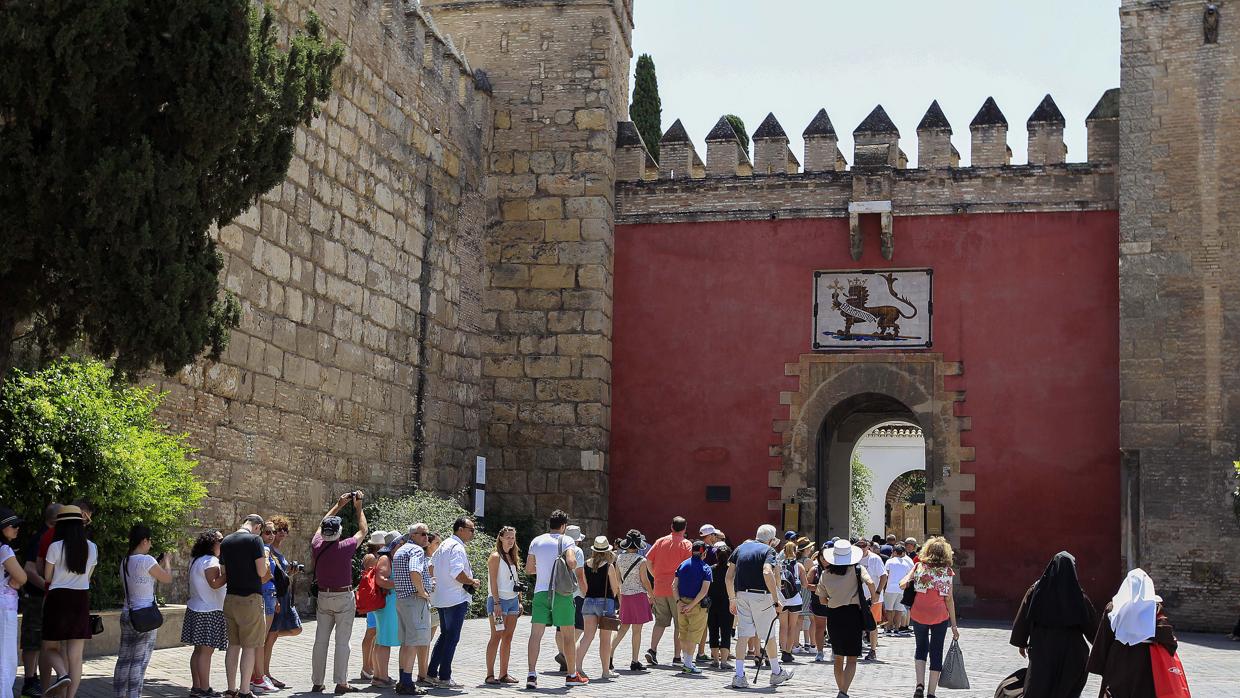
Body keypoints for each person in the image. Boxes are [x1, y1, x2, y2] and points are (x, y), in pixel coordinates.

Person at [1010, 551, 1098, 698]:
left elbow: (1024, 618)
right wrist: (1099, 646)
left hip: (1043, 649)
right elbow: (1092, 626)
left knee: (1039, 688)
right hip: (1072, 653)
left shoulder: (1036, 591)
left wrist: (1021, 642)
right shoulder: (1079, 597)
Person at [1086, 569, 1177, 698]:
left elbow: (1103, 641)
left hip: (1118, 661)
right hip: (1145, 664)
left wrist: (1101, 666)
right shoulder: (1154, 610)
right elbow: (1169, 640)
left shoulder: (1113, 609)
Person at [310, 492, 368, 695]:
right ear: (339, 531)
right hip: (343, 596)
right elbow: (363, 530)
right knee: (342, 641)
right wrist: (358, 507)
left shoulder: (317, 545)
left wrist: (338, 505)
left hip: (324, 597)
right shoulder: (346, 546)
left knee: (320, 641)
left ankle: (317, 682)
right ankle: (341, 682)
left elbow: (320, 525)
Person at [725, 524, 793, 689]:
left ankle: (739, 675)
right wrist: (776, 599)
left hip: (741, 594)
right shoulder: (768, 551)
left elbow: (728, 577)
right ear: (770, 540)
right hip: (761, 596)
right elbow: (767, 572)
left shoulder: (740, 548)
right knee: (769, 635)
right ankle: (776, 672)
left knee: (743, 635)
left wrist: (732, 599)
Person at [40, 505, 97, 698]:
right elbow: (88, 577)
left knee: (49, 647)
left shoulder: (55, 547)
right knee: (76, 655)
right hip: (81, 599)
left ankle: (62, 674)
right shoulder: (92, 547)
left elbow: (47, 577)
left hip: (58, 598)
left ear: (60, 525)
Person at [112, 523, 173, 698]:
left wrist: (158, 564)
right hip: (144, 617)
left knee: (124, 660)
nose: (151, 545)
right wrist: (167, 561)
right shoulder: (147, 560)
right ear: (144, 540)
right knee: (138, 662)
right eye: (150, 541)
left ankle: (119, 695)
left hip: (128, 613)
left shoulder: (125, 561)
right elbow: (167, 578)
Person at [525, 509, 581, 689]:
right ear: (564, 526)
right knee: (568, 636)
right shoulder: (567, 540)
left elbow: (529, 569)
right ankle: (572, 674)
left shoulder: (536, 541)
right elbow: (572, 563)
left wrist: (544, 568)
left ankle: (532, 674)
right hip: (561, 593)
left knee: (536, 635)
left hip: (541, 591)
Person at [901, 537, 959, 698]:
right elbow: (949, 599)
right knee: (936, 650)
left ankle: (919, 684)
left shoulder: (919, 566)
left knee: (921, 648)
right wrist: (954, 625)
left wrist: (909, 579)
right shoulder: (947, 572)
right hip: (939, 614)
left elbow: (903, 584)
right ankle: (931, 692)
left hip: (919, 612)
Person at [220, 514, 271, 698]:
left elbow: (223, 572)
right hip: (250, 598)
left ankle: (230, 689)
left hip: (230, 597)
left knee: (233, 645)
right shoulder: (254, 540)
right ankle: (244, 690)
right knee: (249, 646)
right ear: (257, 526)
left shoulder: (226, 541)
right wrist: (265, 558)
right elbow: (262, 572)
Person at [816, 540, 874, 698]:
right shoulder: (857, 569)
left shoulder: (825, 574)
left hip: (834, 616)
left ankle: (841, 690)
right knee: (852, 659)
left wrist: (834, 600)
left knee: (838, 657)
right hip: (853, 614)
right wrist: (873, 599)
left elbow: (822, 600)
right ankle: (843, 691)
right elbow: (871, 583)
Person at [427, 517, 478, 689]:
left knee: (445, 636)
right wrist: (472, 581)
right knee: (452, 638)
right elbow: (457, 573)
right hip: (455, 599)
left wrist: (438, 584)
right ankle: (444, 677)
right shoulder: (456, 547)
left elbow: (430, 567)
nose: (473, 533)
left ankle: (432, 673)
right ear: (461, 529)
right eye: (471, 529)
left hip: (442, 598)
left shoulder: (444, 545)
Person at [183, 530, 228, 698]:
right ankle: (205, 689)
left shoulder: (196, 560)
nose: (223, 543)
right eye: (220, 540)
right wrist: (230, 573)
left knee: (198, 651)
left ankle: (196, 687)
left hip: (196, 608)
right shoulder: (211, 561)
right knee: (206, 652)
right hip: (208, 611)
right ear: (212, 543)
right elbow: (215, 584)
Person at [19, 503, 57, 698]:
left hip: (42, 596)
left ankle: (36, 682)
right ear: (56, 519)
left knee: (41, 640)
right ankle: (29, 681)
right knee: (32, 640)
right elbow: (28, 569)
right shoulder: (41, 538)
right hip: (35, 597)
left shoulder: (50, 538)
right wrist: (47, 587)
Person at [643, 516, 691, 667]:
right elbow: (689, 567)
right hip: (678, 589)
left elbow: (648, 560)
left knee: (660, 622)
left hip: (659, 587)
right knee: (679, 624)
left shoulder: (660, 541)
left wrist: (654, 575)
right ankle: (677, 657)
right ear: (684, 529)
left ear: (671, 527)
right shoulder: (686, 544)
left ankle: (652, 650)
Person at [392, 524, 432, 694]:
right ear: (413, 535)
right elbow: (414, 571)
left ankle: (403, 681)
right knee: (413, 642)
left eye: (427, 534)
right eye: (423, 534)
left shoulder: (400, 550)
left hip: (402, 600)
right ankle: (407, 683)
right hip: (414, 600)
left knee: (406, 642)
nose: (426, 537)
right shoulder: (416, 551)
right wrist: (423, 591)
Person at [263, 516, 301, 691]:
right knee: (269, 638)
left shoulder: (278, 553)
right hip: (275, 597)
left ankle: (264, 673)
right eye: (279, 530)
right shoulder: (267, 551)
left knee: (294, 629)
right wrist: (276, 598)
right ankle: (264, 674)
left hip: (283, 597)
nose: (282, 533)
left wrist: (290, 573)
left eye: (285, 530)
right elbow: (268, 577)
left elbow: (280, 576)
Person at [575, 536, 621, 679]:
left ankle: (577, 668)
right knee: (605, 640)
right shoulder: (609, 566)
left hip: (588, 602)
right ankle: (605, 671)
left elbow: (584, 586)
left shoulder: (586, 565)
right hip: (605, 603)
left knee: (587, 637)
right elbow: (615, 589)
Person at [484, 526, 523, 685]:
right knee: (496, 636)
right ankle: (489, 674)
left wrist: (519, 600)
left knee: (508, 637)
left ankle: (504, 673)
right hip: (498, 601)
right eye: (508, 537)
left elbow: (515, 581)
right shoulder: (495, 556)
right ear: (500, 538)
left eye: (513, 537)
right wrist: (497, 602)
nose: (511, 540)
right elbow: (493, 581)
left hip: (513, 600)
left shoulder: (512, 556)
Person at [610, 530, 652, 672]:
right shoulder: (642, 561)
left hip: (625, 595)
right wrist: (651, 594)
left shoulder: (619, 558)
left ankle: (609, 655)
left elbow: (617, 579)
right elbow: (644, 580)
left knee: (623, 628)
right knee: (637, 631)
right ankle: (634, 660)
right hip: (639, 595)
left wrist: (620, 595)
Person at [671, 539, 712, 674]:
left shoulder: (682, 564)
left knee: (683, 632)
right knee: (694, 634)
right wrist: (692, 605)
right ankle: (688, 663)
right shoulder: (706, 568)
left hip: (681, 603)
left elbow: (674, 585)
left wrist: (678, 602)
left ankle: (686, 661)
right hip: (697, 605)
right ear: (704, 553)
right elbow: (704, 591)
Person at [1, 507, 28, 698]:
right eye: (13, 525)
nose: (17, 529)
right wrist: (18, 581)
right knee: (6, 659)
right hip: (4, 609)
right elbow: (22, 577)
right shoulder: (4, 549)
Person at [250, 523, 279, 693]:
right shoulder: (265, 550)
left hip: (269, 594)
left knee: (262, 638)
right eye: (268, 532)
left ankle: (258, 675)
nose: (272, 535)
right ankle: (258, 677)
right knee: (260, 639)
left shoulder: (266, 549)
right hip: (265, 593)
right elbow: (265, 575)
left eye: (273, 532)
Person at [371, 539, 399, 689]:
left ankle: (379, 675)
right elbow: (381, 580)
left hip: (387, 603)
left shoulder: (388, 558)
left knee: (381, 640)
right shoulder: (385, 558)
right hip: (387, 604)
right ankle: (382, 677)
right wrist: (402, 583)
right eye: (400, 544)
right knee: (384, 641)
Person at [359, 530, 385, 682]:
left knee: (374, 633)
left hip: (377, 599)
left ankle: (371, 665)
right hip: (373, 598)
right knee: (371, 632)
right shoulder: (371, 557)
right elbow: (370, 578)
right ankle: (366, 666)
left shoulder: (377, 557)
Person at [856, 539, 887, 661]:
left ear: (868, 547)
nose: (861, 548)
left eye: (864, 546)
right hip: (857, 597)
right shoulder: (854, 558)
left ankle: (873, 650)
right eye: (859, 546)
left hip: (873, 597)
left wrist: (878, 592)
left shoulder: (875, 559)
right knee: (856, 624)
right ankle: (857, 647)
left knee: (872, 625)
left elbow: (883, 576)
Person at [776, 541, 806, 664]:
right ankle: (788, 652)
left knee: (783, 627)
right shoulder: (799, 566)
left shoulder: (779, 565)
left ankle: (783, 650)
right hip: (795, 599)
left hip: (782, 599)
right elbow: (804, 584)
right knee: (792, 626)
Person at [706, 542, 734, 670]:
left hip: (712, 605)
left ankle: (715, 660)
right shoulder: (732, 571)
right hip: (727, 604)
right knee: (726, 632)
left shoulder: (711, 569)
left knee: (713, 631)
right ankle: (724, 661)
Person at [883, 544, 915, 637]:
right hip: (901, 589)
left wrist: (883, 588)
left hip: (890, 588)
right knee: (899, 610)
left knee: (889, 609)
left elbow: (886, 575)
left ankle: (889, 628)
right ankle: (896, 629)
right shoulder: (906, 563)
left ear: (895, 552)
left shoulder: (889, 561)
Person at [808, 543, 831, 662]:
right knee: (820, 627)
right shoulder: (815, 569)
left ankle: (835, 650)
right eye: (823, 557)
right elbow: (807, 585)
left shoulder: (836, 569)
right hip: (818, 602)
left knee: (834, 627)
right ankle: (820, 651)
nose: (825, 560)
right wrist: (820, 587)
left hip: (834, 601)